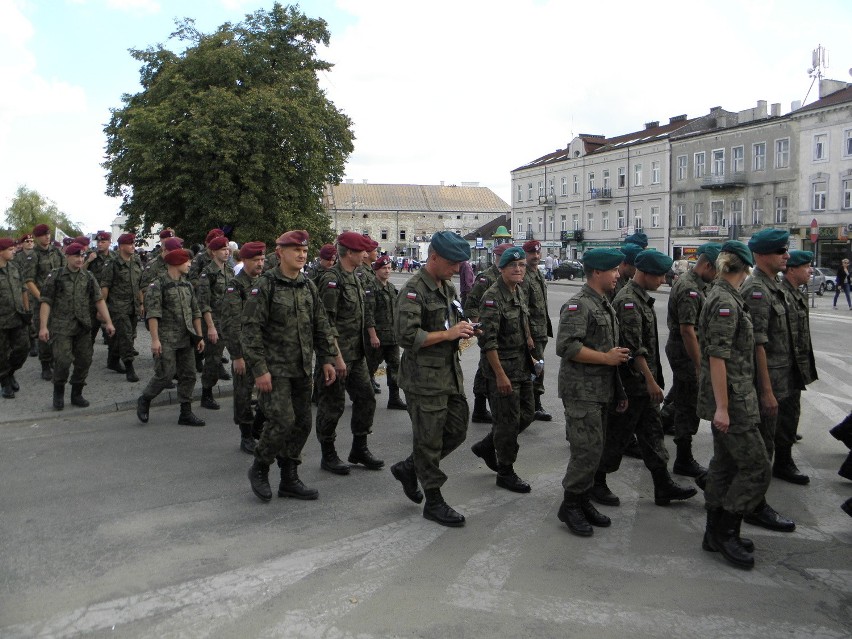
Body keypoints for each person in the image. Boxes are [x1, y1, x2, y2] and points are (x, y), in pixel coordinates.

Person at [591, 249, 697, 509]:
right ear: (646, 274)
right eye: (660, 276)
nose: (663, 281)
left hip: (643, 384)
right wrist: (650, 381)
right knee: (617, 438)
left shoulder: (639, 298)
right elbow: (633, 349)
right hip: (632, 385)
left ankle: (663, 485)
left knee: (653, 435)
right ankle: (597, 482)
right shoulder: (629, 302)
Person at [244, 231, 338, 502]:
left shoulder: (308, 286)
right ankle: (260, 467)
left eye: (305, 251)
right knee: (282, 421)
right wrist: (259, 369)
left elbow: (321, 325)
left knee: (303, 423)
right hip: (274, 371)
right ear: (280, 252)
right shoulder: (265, 285)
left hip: (301, 370)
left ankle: (289, 478)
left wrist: (328, 359)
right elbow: (250, 330)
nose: (301, 255)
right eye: (295, 249)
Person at [390, 231, 475, 526]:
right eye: (453, 264)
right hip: (423, 379)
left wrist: (465, 327)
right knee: (428, 440)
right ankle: (434, 501)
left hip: (449, 374)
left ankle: (409, 467)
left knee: (457, 429)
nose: (457, 270)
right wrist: (448, 334)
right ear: (434, 257)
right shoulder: (414, 290)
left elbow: (451, 320)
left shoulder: (446, 288)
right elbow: (406, 335)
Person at [697, 240, 768, 569]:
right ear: (745, 267)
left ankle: (714, 533)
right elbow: (717, 356)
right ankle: (727, 531)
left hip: (731, 396)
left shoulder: (724, 294)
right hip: (733, 401)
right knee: (756, 467)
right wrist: (723, 408)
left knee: (724, 465)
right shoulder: (725, 299)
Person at [554, 248, 630, 536]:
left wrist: (618, 389)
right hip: (581, 390)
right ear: (597, 272)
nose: (617, 274)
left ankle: (583, 499)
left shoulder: (604, 304)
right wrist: (606, 358)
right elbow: (567, 347)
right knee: (585, 452)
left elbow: (612, 352)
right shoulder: (579, 305)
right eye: (612, 270)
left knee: (595, 449)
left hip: (600, 389)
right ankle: (570, 504)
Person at [739, 229, 798, 531]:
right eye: (780, 251)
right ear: (760, 256)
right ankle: (754, 506)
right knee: (762, 449)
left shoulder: (774, 285)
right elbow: (757, 344)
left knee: (763, 444)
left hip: (777, 379)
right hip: (765, 384)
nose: (786, 255)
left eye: (785, 250)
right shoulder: (757, 291)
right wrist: (766, 390)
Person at [315, 231, 381, 474]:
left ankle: (359, 448)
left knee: (366, 399)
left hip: (356, 354)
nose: (366, 254)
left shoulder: (356, 277)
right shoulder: (332, 279)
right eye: (362, 251)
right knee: (332, 406)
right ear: (349, 253)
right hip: (336, 356)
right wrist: (335, 357)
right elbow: (325, 322)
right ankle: (328, 454)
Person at [475, 246, 536, 493]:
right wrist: (499, 375)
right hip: (502, 369)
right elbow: (487, 340)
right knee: (508, 422)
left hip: (521, 365)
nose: (519, 269)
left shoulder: (517, 291)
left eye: (521, 265)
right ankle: (505, 471)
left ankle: (488, 445)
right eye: (513, 266)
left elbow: (523, 319)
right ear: (501, 268)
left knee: (527, 414)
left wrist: (530, 341)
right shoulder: (492, 298)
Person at [664, 242, 721, 478]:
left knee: (681, 396)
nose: (717, 275)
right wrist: (699, 366)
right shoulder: (690, 288)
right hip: (686, 352)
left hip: (689, 350)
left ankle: (662, 421)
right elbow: (688, 331)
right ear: (707, 265)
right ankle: (684, 459)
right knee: (688, 404)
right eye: (716, 270)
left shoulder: (700, 284)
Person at [39, 242, 116, 410]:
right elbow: (46, 302)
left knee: (84, 360)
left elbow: (98, 300)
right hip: (61, 327)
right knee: (63, 360)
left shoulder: (88, 277)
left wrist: (108, 321)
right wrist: (43, 326)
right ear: (67, 256)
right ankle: (58, 391)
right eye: (76, 256)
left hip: (82, 326)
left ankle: (77, 392)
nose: (80, 259)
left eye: (82, 256)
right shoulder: (56, 276)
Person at [135, 248, 206, 427]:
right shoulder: (158, 285)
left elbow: (196, 311)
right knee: (165, 375)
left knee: (189, 375)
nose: (190, 264)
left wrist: (199, 336)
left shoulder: (187, 285)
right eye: (187, 261)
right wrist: (154, 339)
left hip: (186, 337)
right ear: (176, 263)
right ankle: (145, 399)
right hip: (166, 338)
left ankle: (186, 412)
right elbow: (153, 314)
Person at [775, 250, 819, 481]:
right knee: (782, 416)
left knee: (790, 414)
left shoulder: (795, 294)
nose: (811, 270)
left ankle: (783, 456)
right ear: (791, 269)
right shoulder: (781, 294)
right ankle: (782, 463)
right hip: (780, 368)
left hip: (793, 367)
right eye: (807, 266)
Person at [222, 241, 266, 454]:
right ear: (245, 260)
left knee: (266, 391)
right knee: (243, 393)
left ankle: (258, 427)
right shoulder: (236, 286)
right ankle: (246, 435)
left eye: (262, 259)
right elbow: (231, 324)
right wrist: (237, 355)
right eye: (256, 260)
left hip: (262, 348)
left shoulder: (264, 282)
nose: (260, 263)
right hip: (244, 350)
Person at [464, 242, 510, 425]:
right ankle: (480, 409)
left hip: (503, 331)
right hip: (488, 330)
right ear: (497, 258)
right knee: (485, 369)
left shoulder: (509, 276)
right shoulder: (487, 278)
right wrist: (477, 326)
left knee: (489, 369)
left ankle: (483, 409)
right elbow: (471, 303)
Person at [99, 233, 144, 382]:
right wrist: (102, 309)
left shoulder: (136, 262)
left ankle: (112, 360)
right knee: (125, 337)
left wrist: (141, 303)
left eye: (133, 243)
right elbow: (105, 287)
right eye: (129, 244)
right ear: (121, 246)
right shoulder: (112, 264)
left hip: (133, 306)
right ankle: (130, 368)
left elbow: (138, 286)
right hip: (118, 307)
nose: (133, 246)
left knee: (126, 336)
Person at [197, 235, 235, 410]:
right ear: (213, 252)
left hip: (228, 322)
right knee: (212, 360)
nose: (227, 252)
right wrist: (210, 327)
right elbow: (203, 303)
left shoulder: (229, 271)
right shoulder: (208, 273)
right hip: (214, 322)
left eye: (228, 249)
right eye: (223, 250)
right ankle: (207, 394)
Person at [24, 223, 66, 381]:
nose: (47, 237)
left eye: (48, 234)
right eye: (43, 234)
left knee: (58, 331)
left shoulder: (56, 252)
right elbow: (29, 280)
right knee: (44, 333)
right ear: (37, 237)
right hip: (42, 301)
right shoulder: (33, 255)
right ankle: (45, 365)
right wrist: (42, 298)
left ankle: (55, 360)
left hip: (59, 299)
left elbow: (65, 271)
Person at [366, 254, 407, 410]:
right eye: (384, 268)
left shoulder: (390, 288)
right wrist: (372, 335)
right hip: (378, 337)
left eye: (389, 268)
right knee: (370, 367)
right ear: (377, 270)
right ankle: (364, 397)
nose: (387, 271)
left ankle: (394, 398)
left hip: (392, 336)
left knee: (395, 367)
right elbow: (368, 313)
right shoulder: (371, 288)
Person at [521, 239, 553, 421]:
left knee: (537, 367)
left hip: (541, 331)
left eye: (538, 253)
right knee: (536, 368)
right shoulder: (525, 277)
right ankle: (533, 406)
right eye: (532, 253)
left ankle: (532, 404)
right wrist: (527, 335)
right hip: (532, 332)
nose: (536, 256)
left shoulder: (538, 274)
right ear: (526, 254)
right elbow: (523, 309)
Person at [0, 237, 31, 399]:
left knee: (23, 348)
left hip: (18, 318)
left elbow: (23, 290)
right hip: (1, 321)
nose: (14, 251)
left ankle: (10, 372)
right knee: (2, 353)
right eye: (10, 249)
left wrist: (26, 311)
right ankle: (4, 381)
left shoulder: (14, 268)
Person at [13, 233, 37, 357]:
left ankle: (35, 340)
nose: (30, 242)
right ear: (22, 244)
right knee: (26, 316)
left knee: (35, 315)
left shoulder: (37, 255)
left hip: (35, 289)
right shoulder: (16, 257)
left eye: (31, 240)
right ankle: (30, 341)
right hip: (22, 290)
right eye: (27, 241)